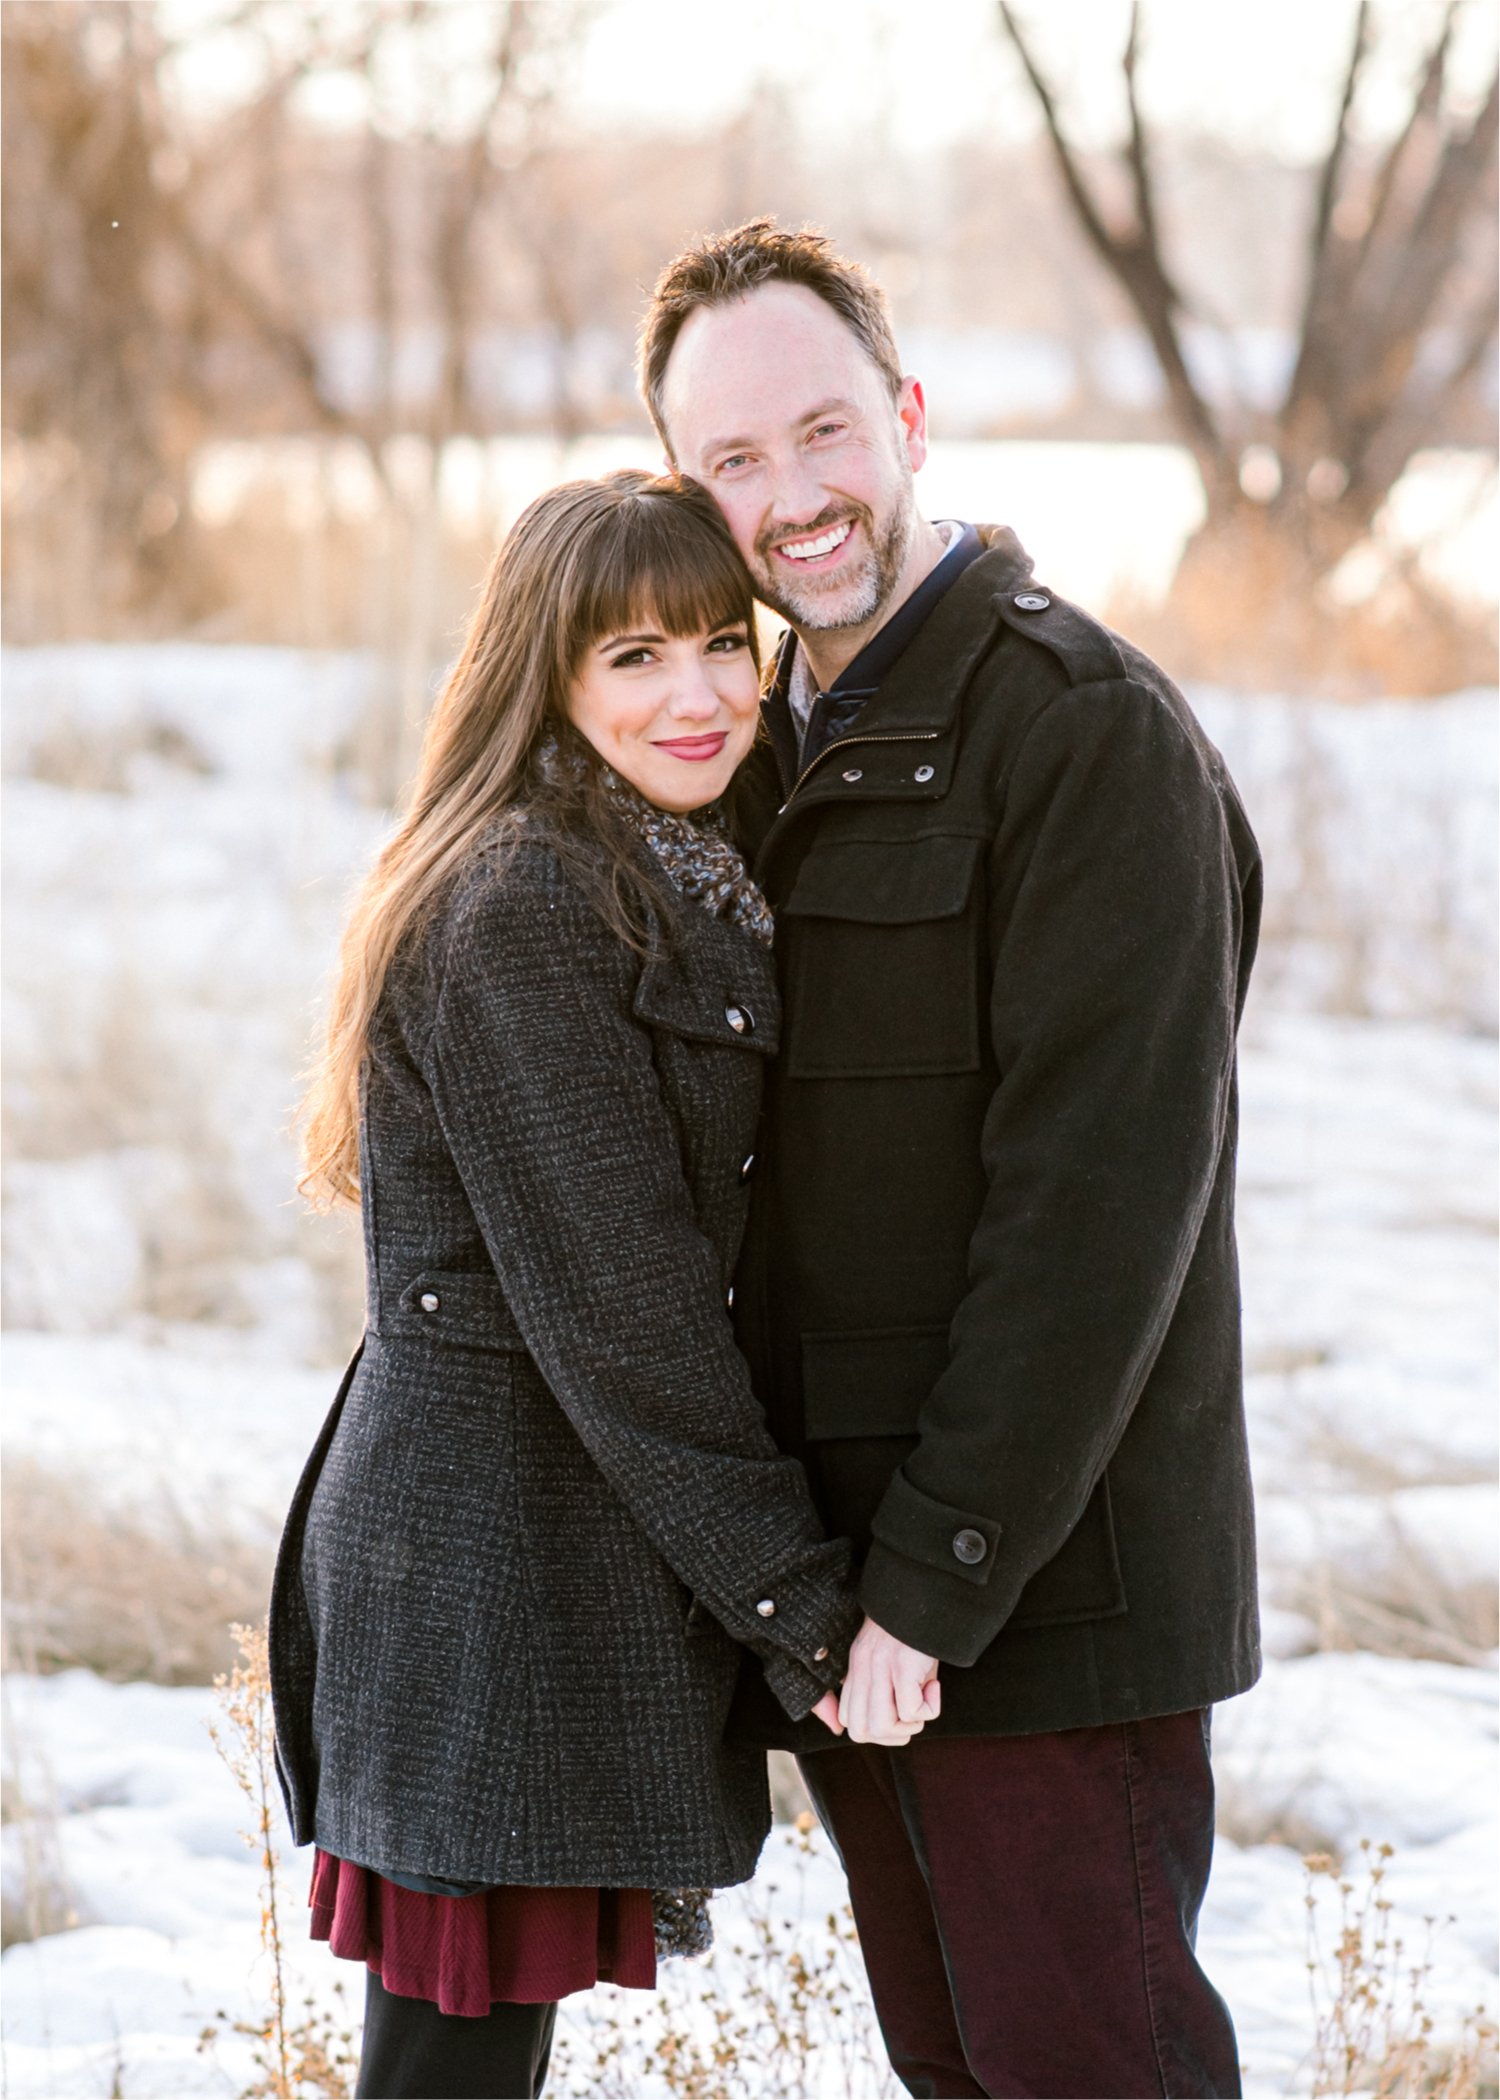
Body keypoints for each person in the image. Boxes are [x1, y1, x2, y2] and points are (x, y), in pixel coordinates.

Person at [639, 218, 1262, 2099]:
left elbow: (1096, 1220)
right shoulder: (749, 746)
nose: (793, 498)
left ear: (907, 417)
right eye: (732, 463)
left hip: (1033, 1601)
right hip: (854, 1608)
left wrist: (939, 1579)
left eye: (824, 432)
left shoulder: (1081, 738)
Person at [268, 470, 864, 2100]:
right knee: (449, 2069)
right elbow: (627, 1310)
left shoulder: (681, 861)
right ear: (548, 674)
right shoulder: (518, 902)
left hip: (547, 1535)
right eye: (634, 659)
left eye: (723, 645)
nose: (697, 697)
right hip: (482, 1557)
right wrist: (799, 1612)